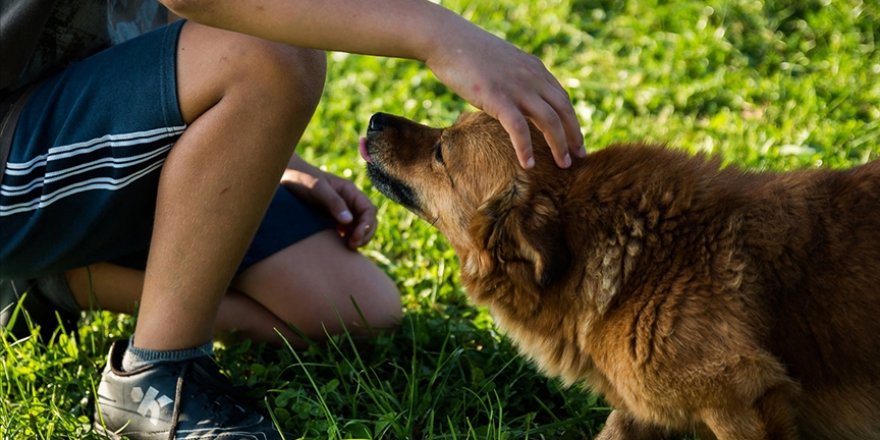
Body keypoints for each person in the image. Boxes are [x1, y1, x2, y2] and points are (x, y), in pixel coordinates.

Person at [0, 0, 584, 438]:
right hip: (13, 137)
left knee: (352, 307)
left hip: (89, 120)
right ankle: (156, 378)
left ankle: (55, 281)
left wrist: (261, 150)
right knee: (274, 55)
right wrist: (441, 36)